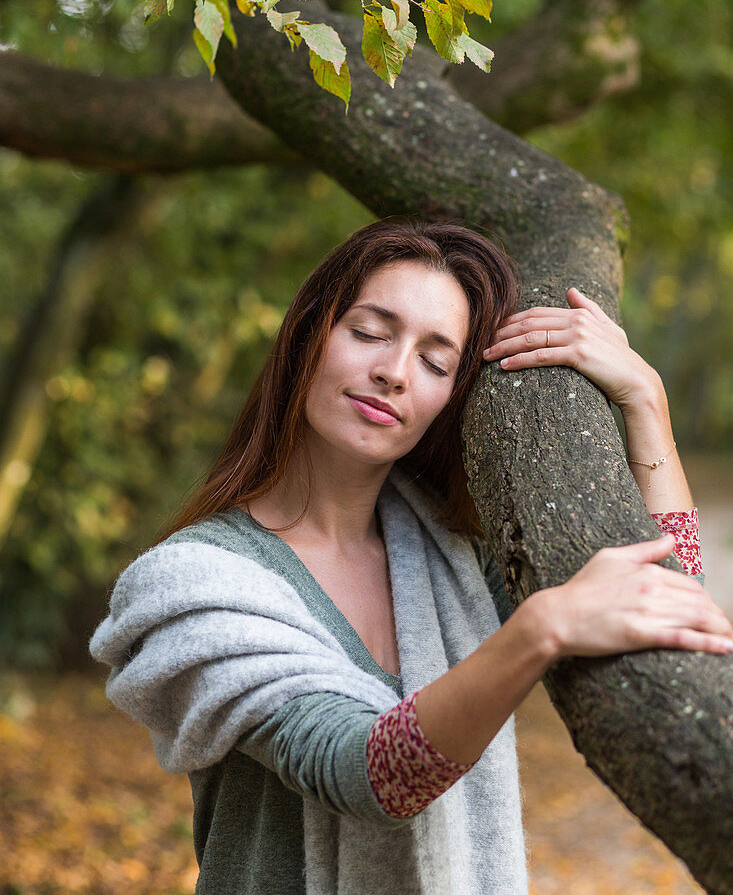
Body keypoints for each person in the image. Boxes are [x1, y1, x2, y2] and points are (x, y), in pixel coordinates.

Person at [89, 217, 730, 895]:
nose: (392, 373)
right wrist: (539, 629)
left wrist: (644, 399)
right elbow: (364, 775)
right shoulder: (194, 583)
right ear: (309, 334)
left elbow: (664, 606)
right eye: (368, 332)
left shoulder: (451, 561)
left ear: (449, 401)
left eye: (434, 361)